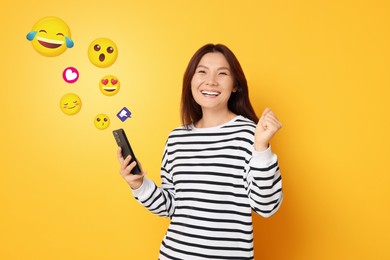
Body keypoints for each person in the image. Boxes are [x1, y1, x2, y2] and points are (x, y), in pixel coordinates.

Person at [117, 43, 283, 260]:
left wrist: (262, 149)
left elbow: (267, 207)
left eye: (222, 74)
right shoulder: (177, 138)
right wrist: (138, 185)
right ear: (191, 82)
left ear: (235, 85)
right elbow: (171, 206)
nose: (211, 81)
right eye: (202, 72)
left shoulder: (250, 134)